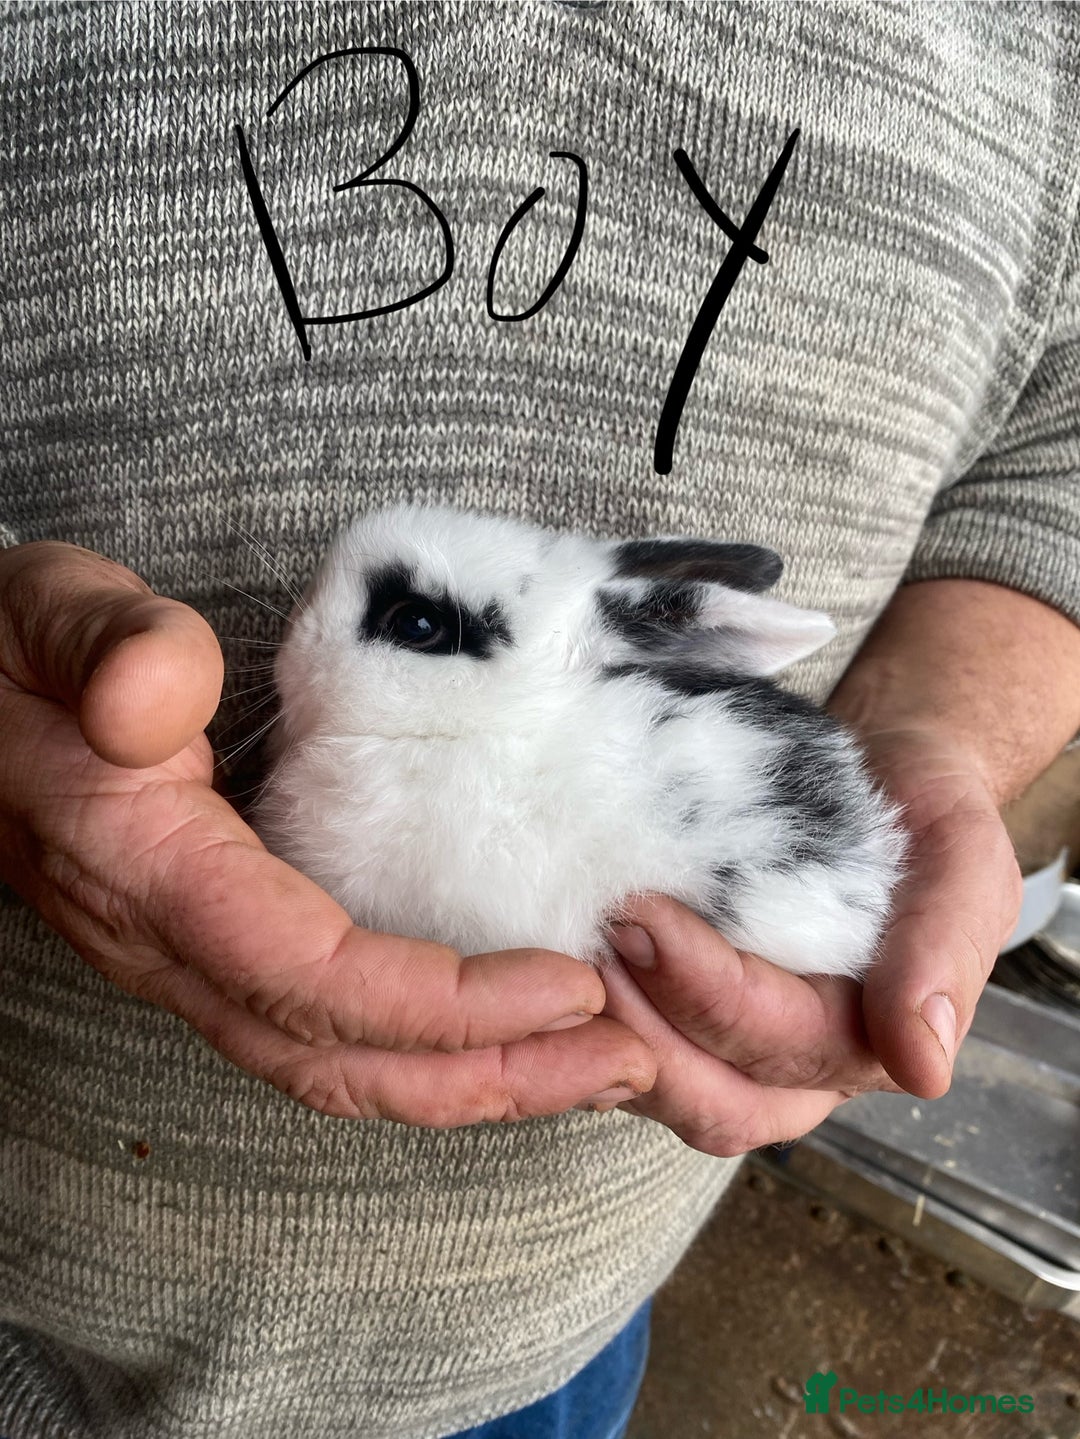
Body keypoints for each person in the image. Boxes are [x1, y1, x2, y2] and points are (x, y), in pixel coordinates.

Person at [1, 4, 1078, 1437]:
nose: (294, 648)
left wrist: (943, 730)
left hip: (560, 1324)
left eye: (413, 627)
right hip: (40, 1290)